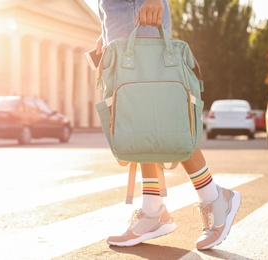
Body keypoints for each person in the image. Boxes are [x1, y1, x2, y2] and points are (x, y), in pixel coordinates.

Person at [95, 0, 241, 250]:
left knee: (164, 114)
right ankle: (154, 210)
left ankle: (214, 197)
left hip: (136, 7)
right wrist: (106, 28)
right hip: (119, 13)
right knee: (142, 120)